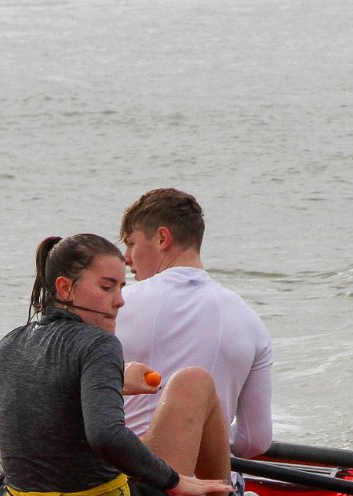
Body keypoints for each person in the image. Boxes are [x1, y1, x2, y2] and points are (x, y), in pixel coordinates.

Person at [0, 232, 233, 496]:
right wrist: (174, 480)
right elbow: (105, 435)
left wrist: (114, 380)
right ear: (65, 288)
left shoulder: (10, 343)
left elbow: (48, 401)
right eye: (107, 287)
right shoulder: (99, 343)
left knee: (126, 452)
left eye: (120, 287)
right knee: (193, 381)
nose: (119, 300)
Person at [114, 188, 275, 460]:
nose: (126, 257)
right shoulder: (250, 321)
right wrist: (205, 437)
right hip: (207, 490)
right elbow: (255, 443)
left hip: (126, 483)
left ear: (162, 238)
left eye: (131, 243)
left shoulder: (114, 306)